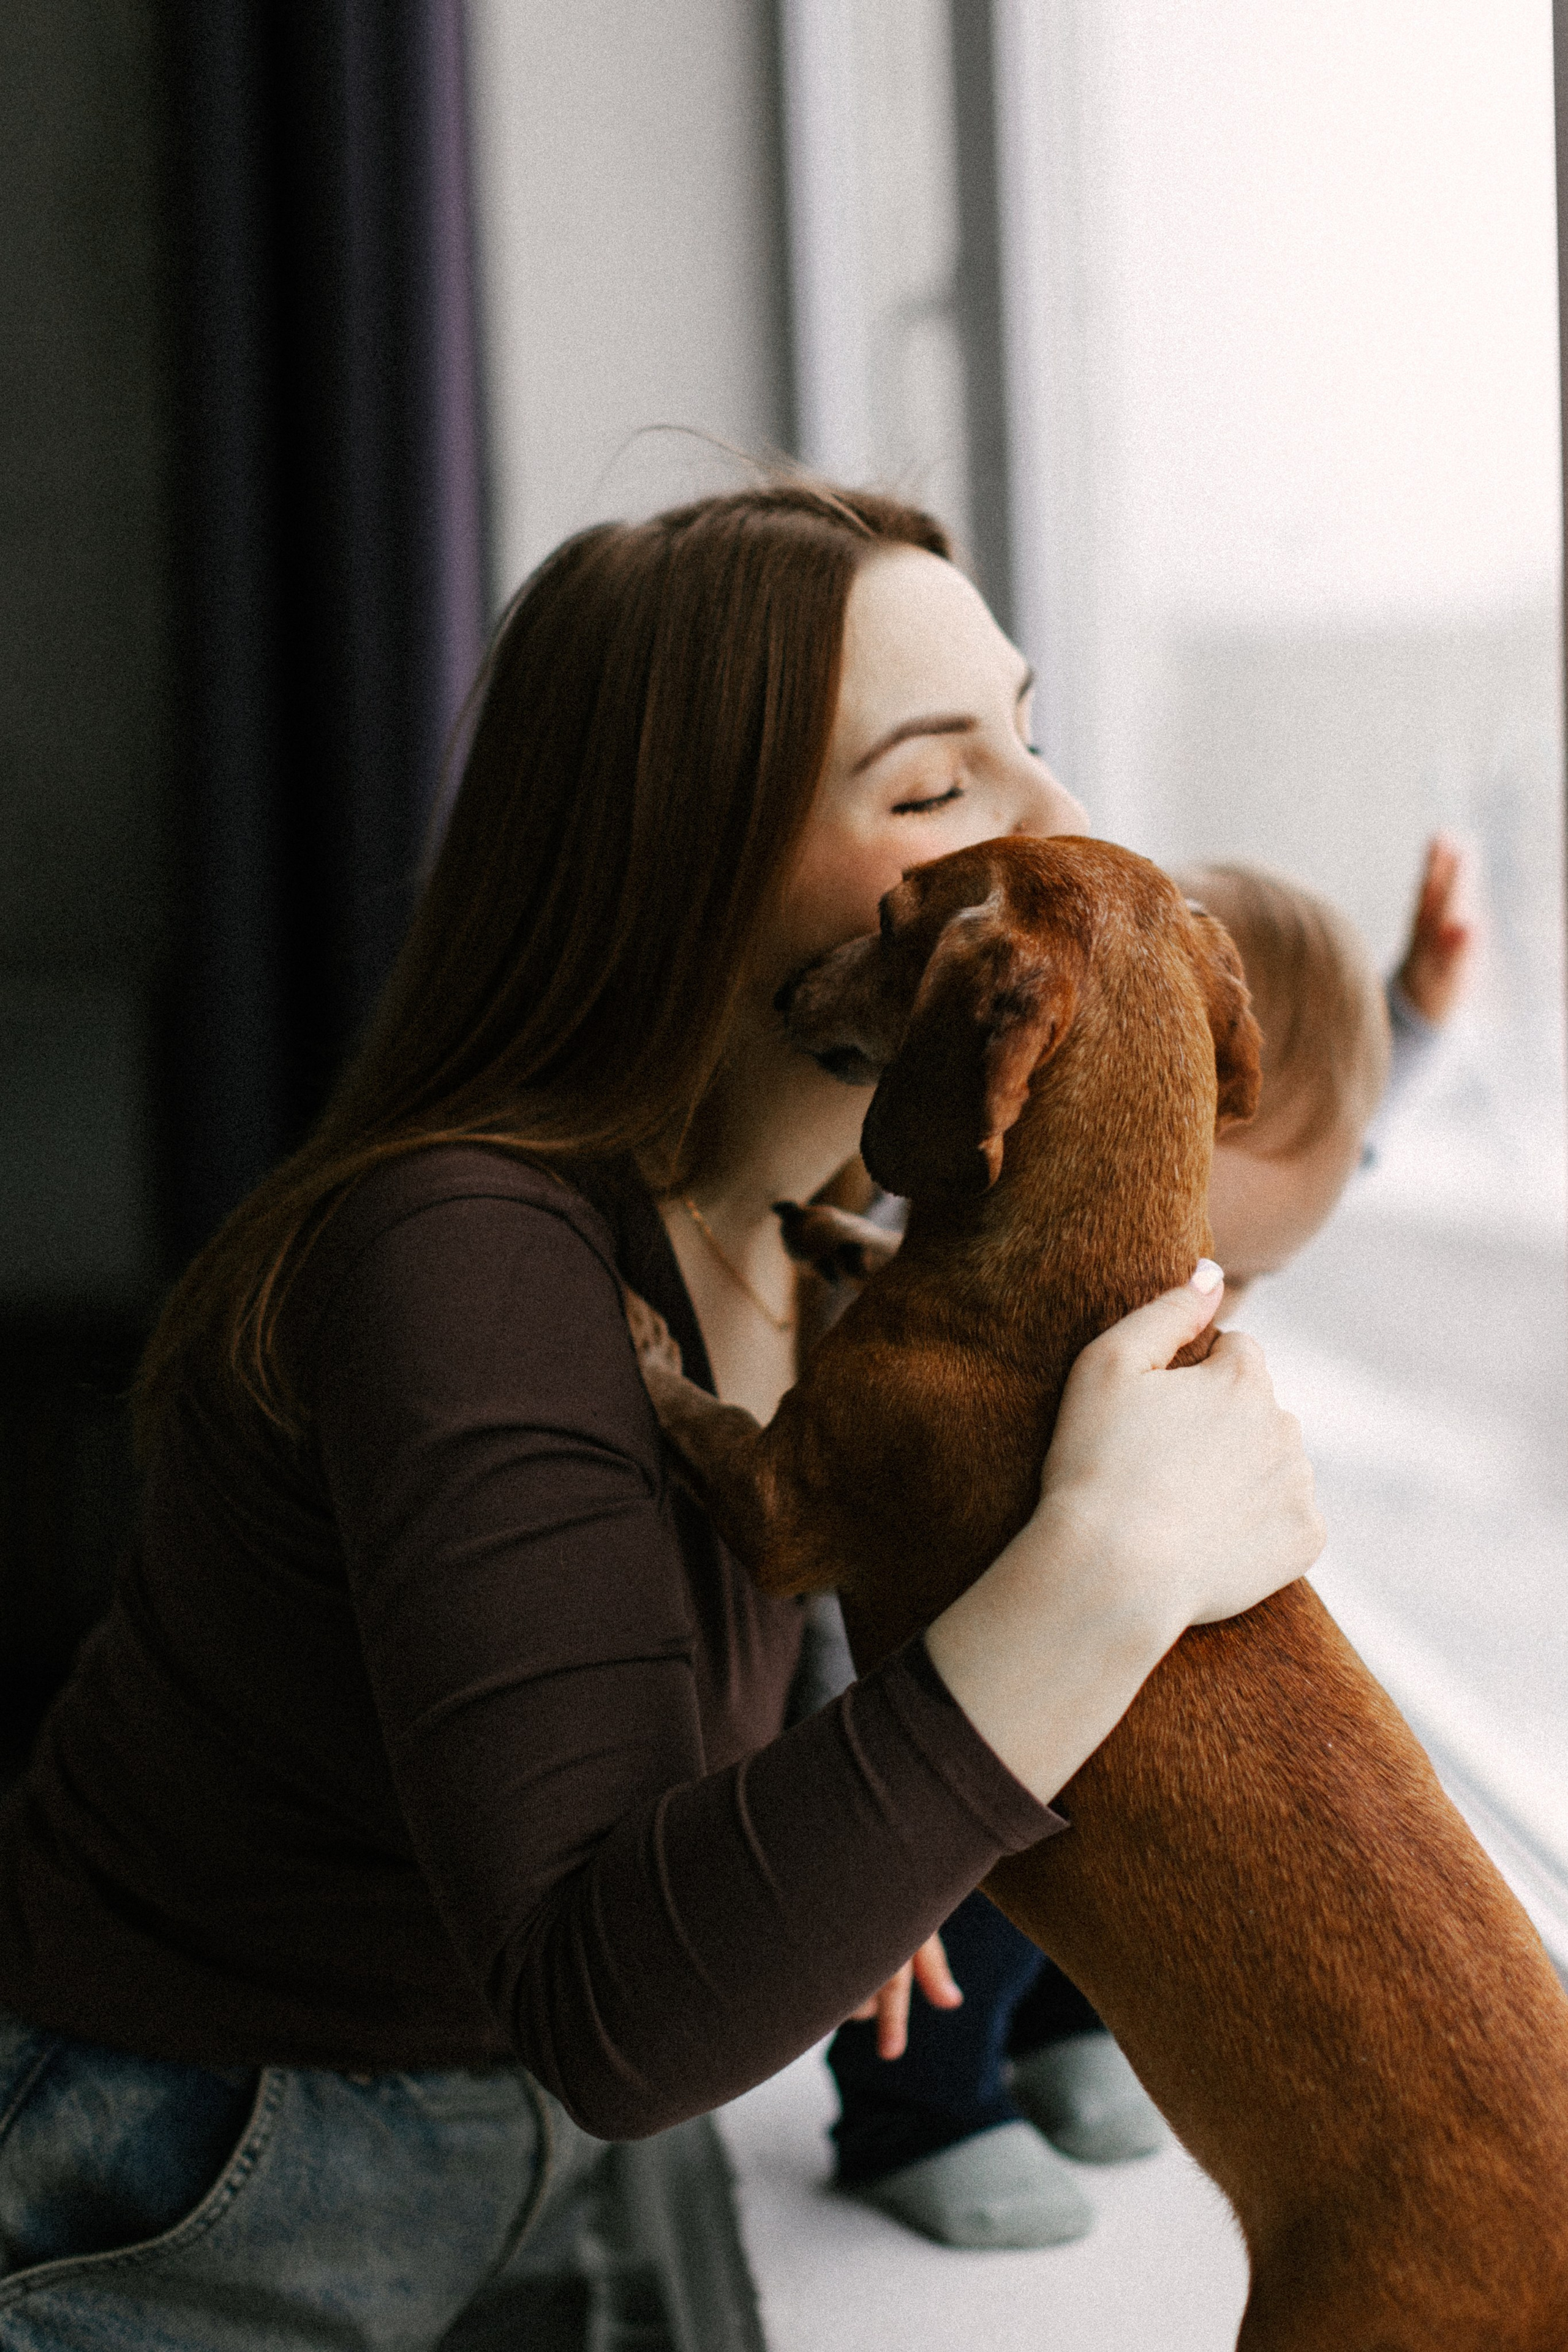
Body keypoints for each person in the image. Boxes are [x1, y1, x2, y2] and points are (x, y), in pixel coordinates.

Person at [0, 483, 1322, 2348]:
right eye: (937, 790)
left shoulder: (810, 1247)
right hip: (162, 2182)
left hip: (433, 2168)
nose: (1060, 826)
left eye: (1035, 741)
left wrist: (854, 1855)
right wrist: (1107, 1573)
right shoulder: (467, 1254)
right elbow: (615, 2016)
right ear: (677, 870)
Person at [821, 845, 1473, 2251]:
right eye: (1194, 1258)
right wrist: (858, 1845)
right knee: (978, 1873)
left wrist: (1407, 1016)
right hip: (929, 1704)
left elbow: (1329, 1149)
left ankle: (1063, 2027)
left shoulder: (1232, 1181)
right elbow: (836, 1566)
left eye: (1247, 1281)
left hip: (1107, 1656)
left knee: (1123, 1852)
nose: (1204, 1308)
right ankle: (917, 2112)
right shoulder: (940, 1250)